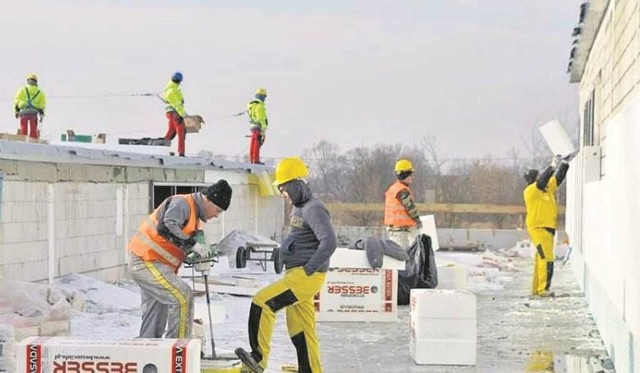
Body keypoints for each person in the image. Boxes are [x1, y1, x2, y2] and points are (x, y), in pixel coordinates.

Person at [235, 157, 337, 373]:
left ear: (294, 185)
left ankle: (258, 360)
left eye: (283, 189)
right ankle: (309, 368)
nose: (283, 194)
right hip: (297, 273)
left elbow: (329, 242)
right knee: (300, 326)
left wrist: (309, 269)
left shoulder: (314, 208)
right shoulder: (300, 208)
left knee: (262, 302)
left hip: (305, 275)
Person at [127, 179, 232, 338]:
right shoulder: (182, 203)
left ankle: (149, 349)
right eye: (217, 210)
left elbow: (176, 242)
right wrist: (193, 245)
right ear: (209, 199)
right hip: (146, 261)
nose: (216, 215)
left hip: (153, 263)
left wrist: (194, 256)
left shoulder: (195, 218)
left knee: (156, 312)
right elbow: (166, 228)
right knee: (182, 296)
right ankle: (178, 350)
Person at [523, 155, 569, 297]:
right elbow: (543, 181)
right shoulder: (531, 191)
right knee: (546, 257)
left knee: (543, 257)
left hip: (548, 228)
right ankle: (543, 289)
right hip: (538, 228)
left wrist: (565, 164)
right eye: (537, 177)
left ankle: (537, 288)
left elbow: (557, 179)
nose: (539, 179)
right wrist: (552, 166)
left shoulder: (546, 190)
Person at [384, 159, 422, 249]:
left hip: (395, 230)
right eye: (411, 175)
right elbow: (410, 208)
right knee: (403, 258)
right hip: (400, 231)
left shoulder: (395, 188)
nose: (413, 177)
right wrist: (417, 220)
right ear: (405, 175)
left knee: (399, 257)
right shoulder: (402, 191)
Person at [162, 72, 188, 157]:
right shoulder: (173, 90)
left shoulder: (171, 87)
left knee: (171, 132)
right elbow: (177, 104)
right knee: (181, 131)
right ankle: (181, 152)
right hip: (175, 113)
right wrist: (183, 114)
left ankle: (162, 144)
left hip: (171, 112)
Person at [13, 73, 46, 139]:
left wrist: (16, 111)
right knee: (33, 131)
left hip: (24, 112)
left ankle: (23, 141)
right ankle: (33, 142)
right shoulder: (40, 92)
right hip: (33, 113)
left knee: (23, 130)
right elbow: (42, 105)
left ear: (27, 81)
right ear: (36, 82)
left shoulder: (22, 90)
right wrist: (42, 115)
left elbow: (16, 101)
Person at [246, 88, 268, 164]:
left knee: (253, 143)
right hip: (258, 127)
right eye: (264, 97)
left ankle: (252, 159)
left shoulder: (251, 106)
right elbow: (261, 118)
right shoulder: (260, 106)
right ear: (262, 97)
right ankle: (256, 160)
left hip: (252, 126)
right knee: (257, 144)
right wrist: (263, 128)